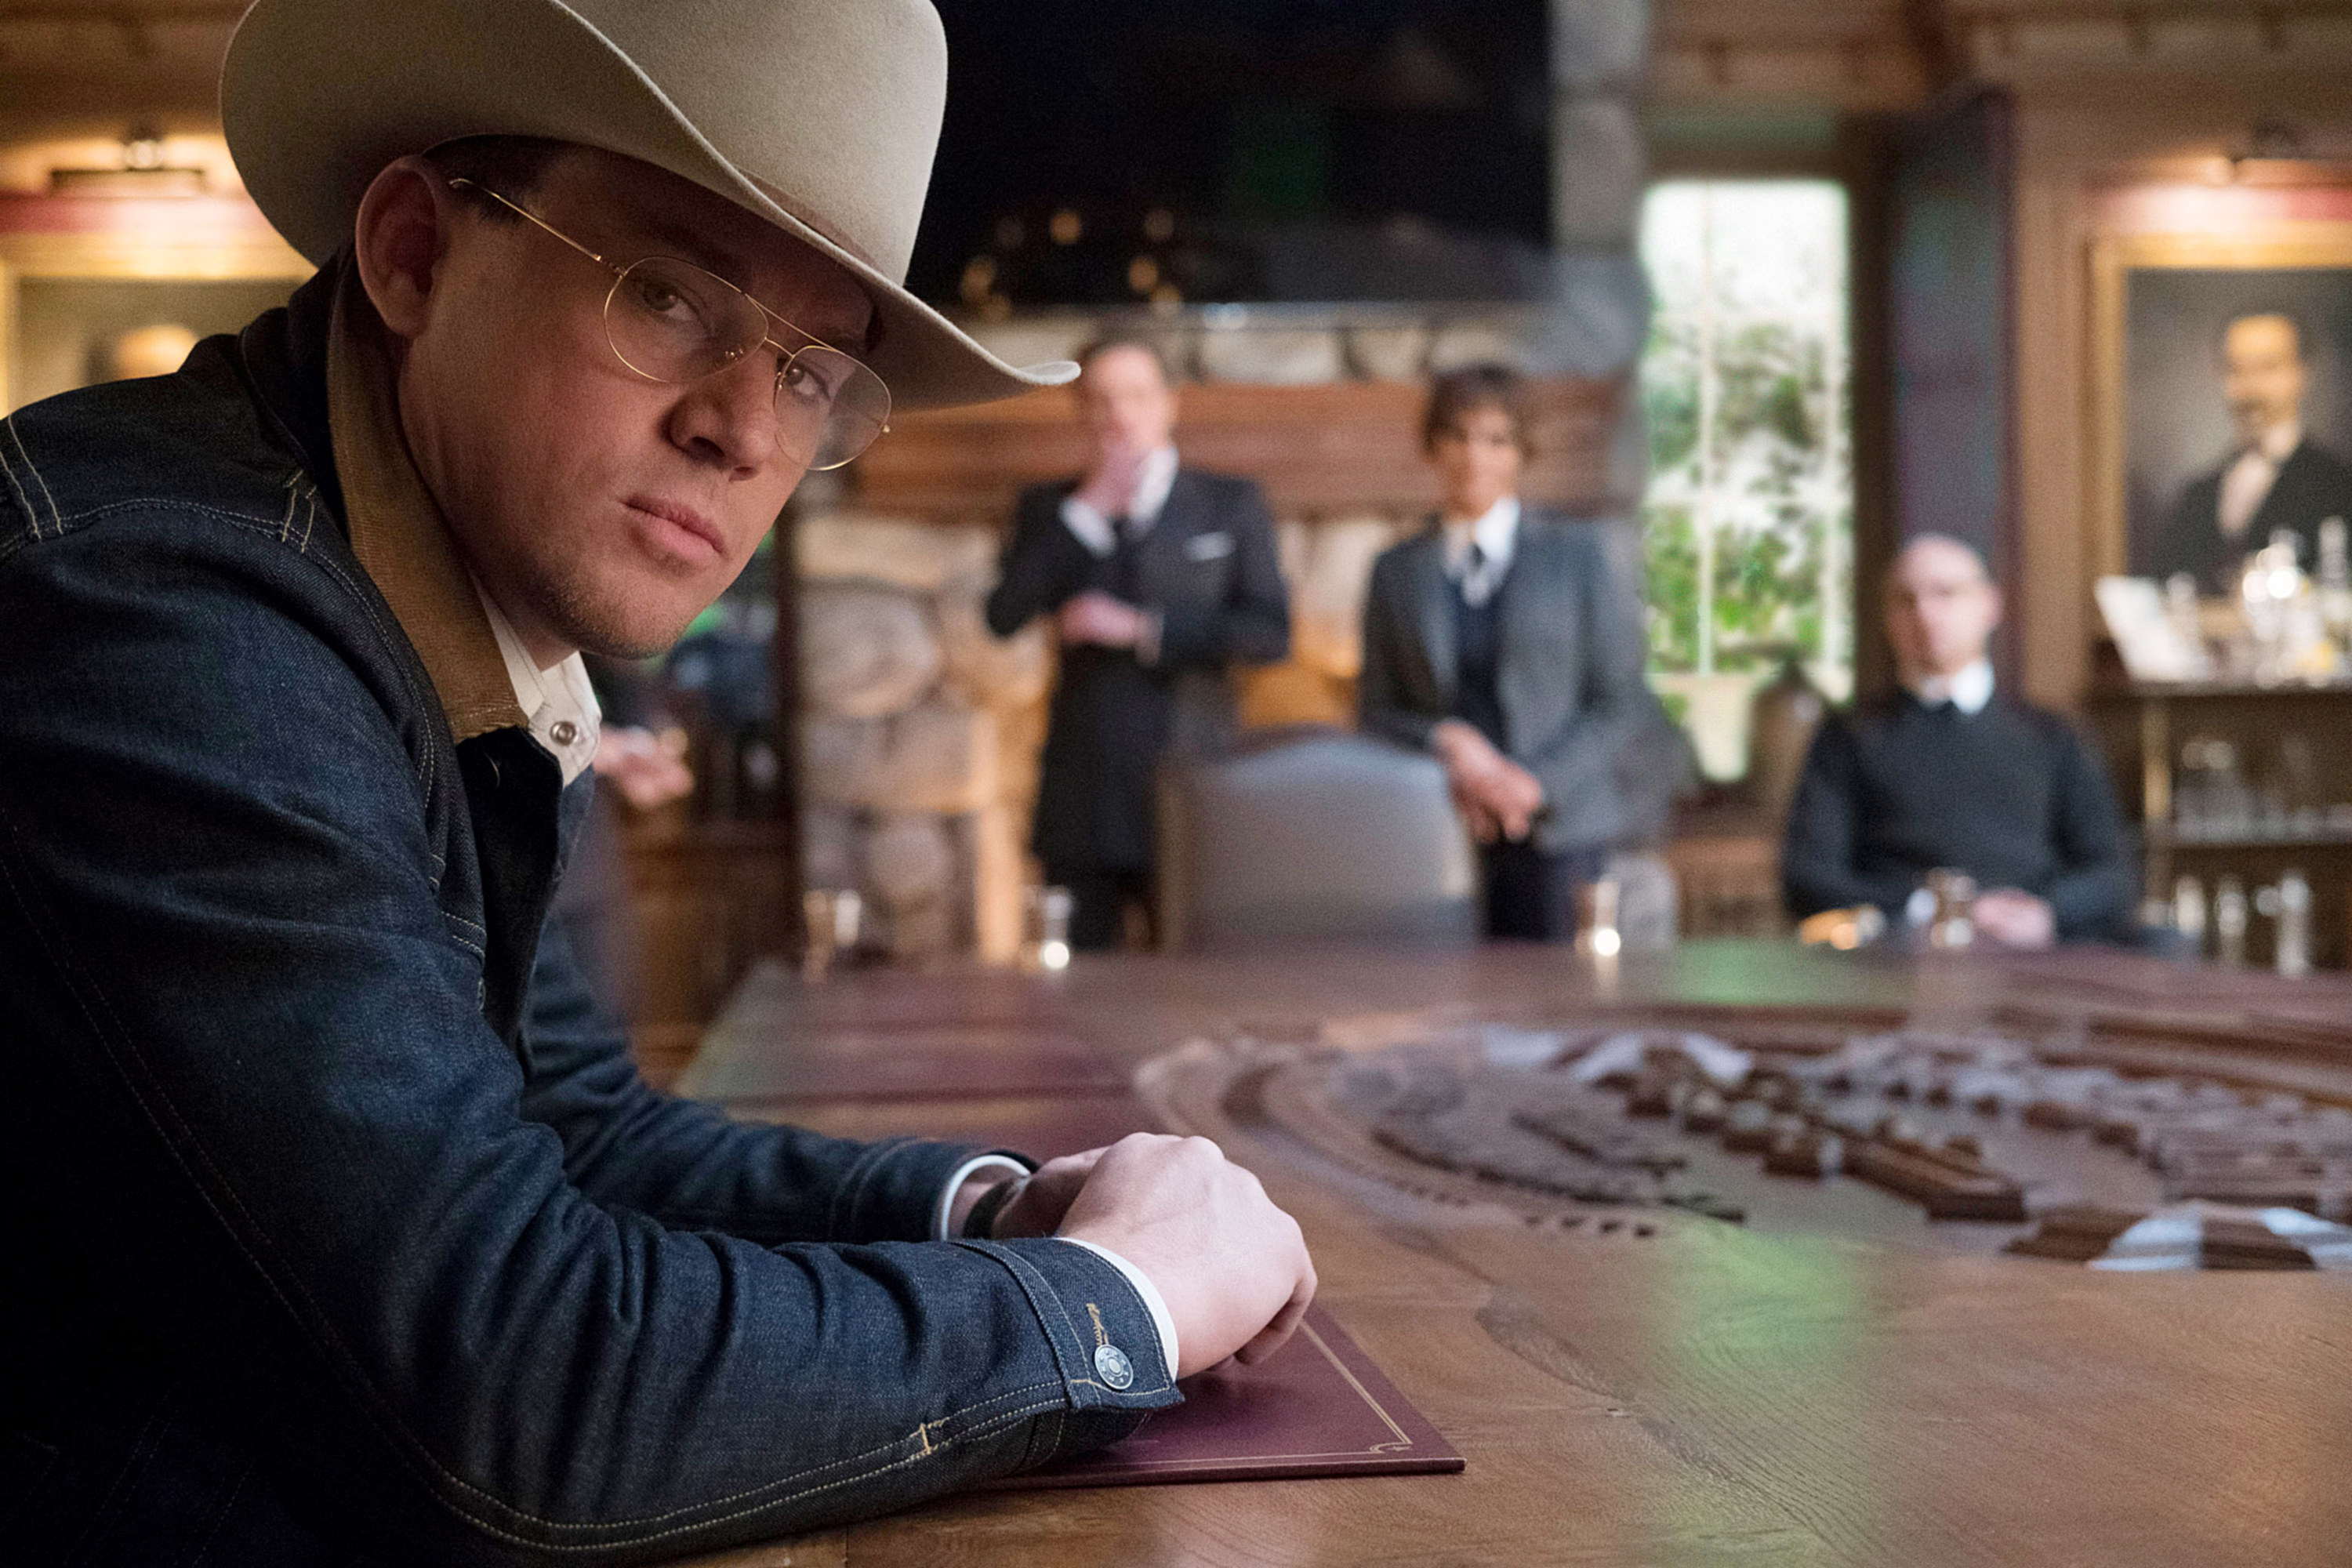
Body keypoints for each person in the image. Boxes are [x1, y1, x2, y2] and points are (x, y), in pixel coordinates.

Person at [0, 2, 1314, 1562]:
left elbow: (578, 1130)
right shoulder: (157, 618)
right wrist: (1122, 1303)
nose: (745, 429)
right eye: (670, 296)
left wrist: (989, 1214)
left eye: (817, 371)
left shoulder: (424, 595)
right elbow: (516, 1392)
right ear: (413, 251)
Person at [985, 336, 1290, 949]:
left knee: (1200, 987)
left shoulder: (1230, 504)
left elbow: (1270, 633)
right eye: (1099, 400)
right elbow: (1002, 616)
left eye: (1135, 396)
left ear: (1169, 403)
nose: (1118, 415)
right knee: (1076, 1000)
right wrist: (1090, 508)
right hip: (1082, 796)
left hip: (1195, 783)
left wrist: (1142, 629)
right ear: (1081, 412)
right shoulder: (1050, 511)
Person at [1357, 363, 1654, 941]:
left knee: (1560, 1015)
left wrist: (1533, 785)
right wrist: (1447, 741)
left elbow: (1620, 703)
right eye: (1458, 437)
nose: (1475, 457)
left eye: (1496, 439)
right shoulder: (1394, 573)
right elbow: (1374, 713)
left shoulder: (1578, 557)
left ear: (1522, 452)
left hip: (1560, 836)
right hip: (1436, 834)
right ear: (1433, 448)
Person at [1782, 535, 2136, 947]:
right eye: (1906, 600)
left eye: (1946, 593)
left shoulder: (2052, 736)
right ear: (1887, 617)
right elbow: (1807, 877)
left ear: (1990, 605)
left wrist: (2047, 914)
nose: (1925, 613)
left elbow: (2114, 877)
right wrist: (1933, 909)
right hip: (1895, 964)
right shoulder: (1849, 737)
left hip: (2034, 968)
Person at [2151, 311, 2352, 593]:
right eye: (2236, 369)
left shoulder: (2339, 486)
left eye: (2268, 368)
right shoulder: (2197, 495)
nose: (2250, 387)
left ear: (2302, 373)